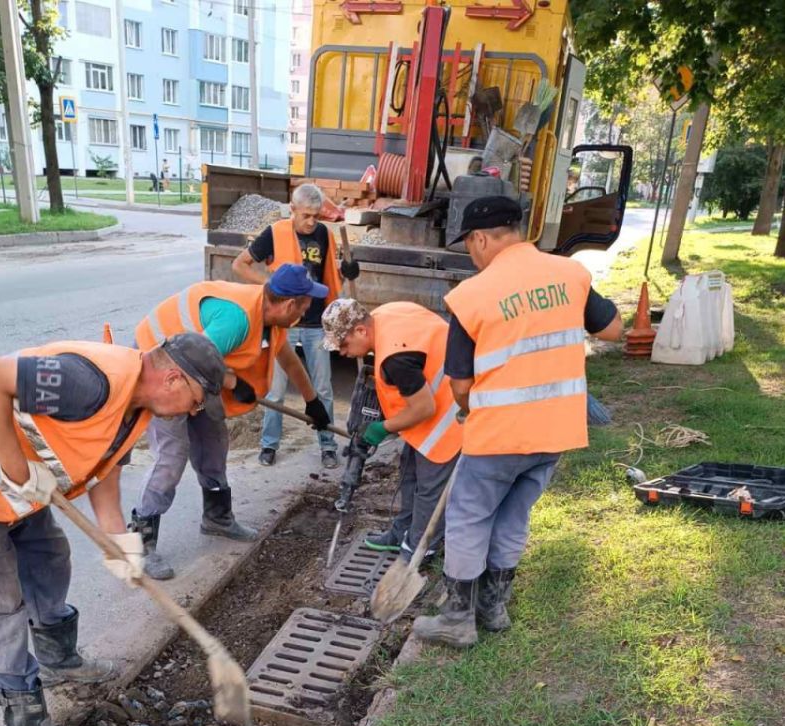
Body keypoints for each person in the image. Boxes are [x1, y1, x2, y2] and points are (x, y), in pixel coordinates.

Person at [0, 333, 227, 726]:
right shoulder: (88, 383)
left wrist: (120, 546)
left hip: (19, 480)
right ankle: (26, 724)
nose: (195, 412)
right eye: (196, 401)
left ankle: (59, 659)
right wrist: (18, 471)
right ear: (173, 378)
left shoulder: (135, 407)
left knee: (50, 557)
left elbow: (104, 474)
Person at [412, 196, 622, 647]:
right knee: (514, 513)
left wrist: (470, 412)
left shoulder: (472, 296)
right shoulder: (570, 274)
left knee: (469, 515)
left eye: (470, 244)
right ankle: (494, 607)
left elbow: (461, 383)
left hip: (500, 434)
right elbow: (612, 330)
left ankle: (456, 618)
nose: (472, 253)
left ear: (482, 238)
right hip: (556, 431)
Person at [130, 263, 332, 579]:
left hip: (196, 372)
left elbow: (288, 360)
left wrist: (312, 401)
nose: (306, 313)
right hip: (160, 371)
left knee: (213, 441)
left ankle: (217, 517)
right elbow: (196, 361)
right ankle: (141, 541)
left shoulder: (272, 320)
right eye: (305, 306)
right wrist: (235, 384)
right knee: (172, 454)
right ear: (290, 304)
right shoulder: (236, 320)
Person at [231, 182, 360, 470]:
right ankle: (269, 445)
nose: (311, 221)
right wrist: (269, 288)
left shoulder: (324, 234)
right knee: (275, 390)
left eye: (316, 215)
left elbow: (327, 273)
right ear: (293, 210)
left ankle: (328, 446)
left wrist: (346, 271)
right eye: (306, 215)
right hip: (283, 324)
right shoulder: (275, 233)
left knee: (323, 389)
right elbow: (239, 265)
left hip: (316, 322)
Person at [320, 297, 462, 560]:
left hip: (448, 416)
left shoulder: (395, 357)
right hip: (430, 406)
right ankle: (403, 531)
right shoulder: (385, 313)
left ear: (361, 330)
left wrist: (382, 428)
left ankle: (420, 549)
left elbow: (423, 409)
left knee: (430, 489)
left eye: (343, 345)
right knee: (409, 473)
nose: (342, 353)